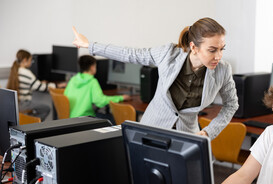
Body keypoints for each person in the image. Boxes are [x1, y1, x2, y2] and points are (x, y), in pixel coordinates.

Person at [72, 17, 239, 140]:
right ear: (193, 47)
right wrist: (90, 46)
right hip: (152, 129)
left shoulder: (223, 70)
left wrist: (210, 131)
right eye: (212, 50)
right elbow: (130, 54)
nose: (219, 56)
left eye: (222, 49)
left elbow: (232, 104)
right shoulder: (169, 54)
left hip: (188, 136)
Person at [64, 55, 130, 122]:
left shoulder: (73, 79)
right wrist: (121, 97)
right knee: (113, 119)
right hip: (85, 119)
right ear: (92, 67)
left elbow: (65, 96)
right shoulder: (92, 82)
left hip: (71, 118)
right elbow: (100, 102)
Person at [7, 49, 66, 121]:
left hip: (16, 103)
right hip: (23, 104)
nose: (31, 63)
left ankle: (29, 120)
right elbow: (41, 87)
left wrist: (40, 83)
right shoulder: (26, 72)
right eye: (31, 60)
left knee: (35, 111)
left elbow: (35, 84)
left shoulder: (15, 70)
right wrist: (57, 86)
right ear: (25, 60)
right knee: (46, 108)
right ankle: (32, 123)